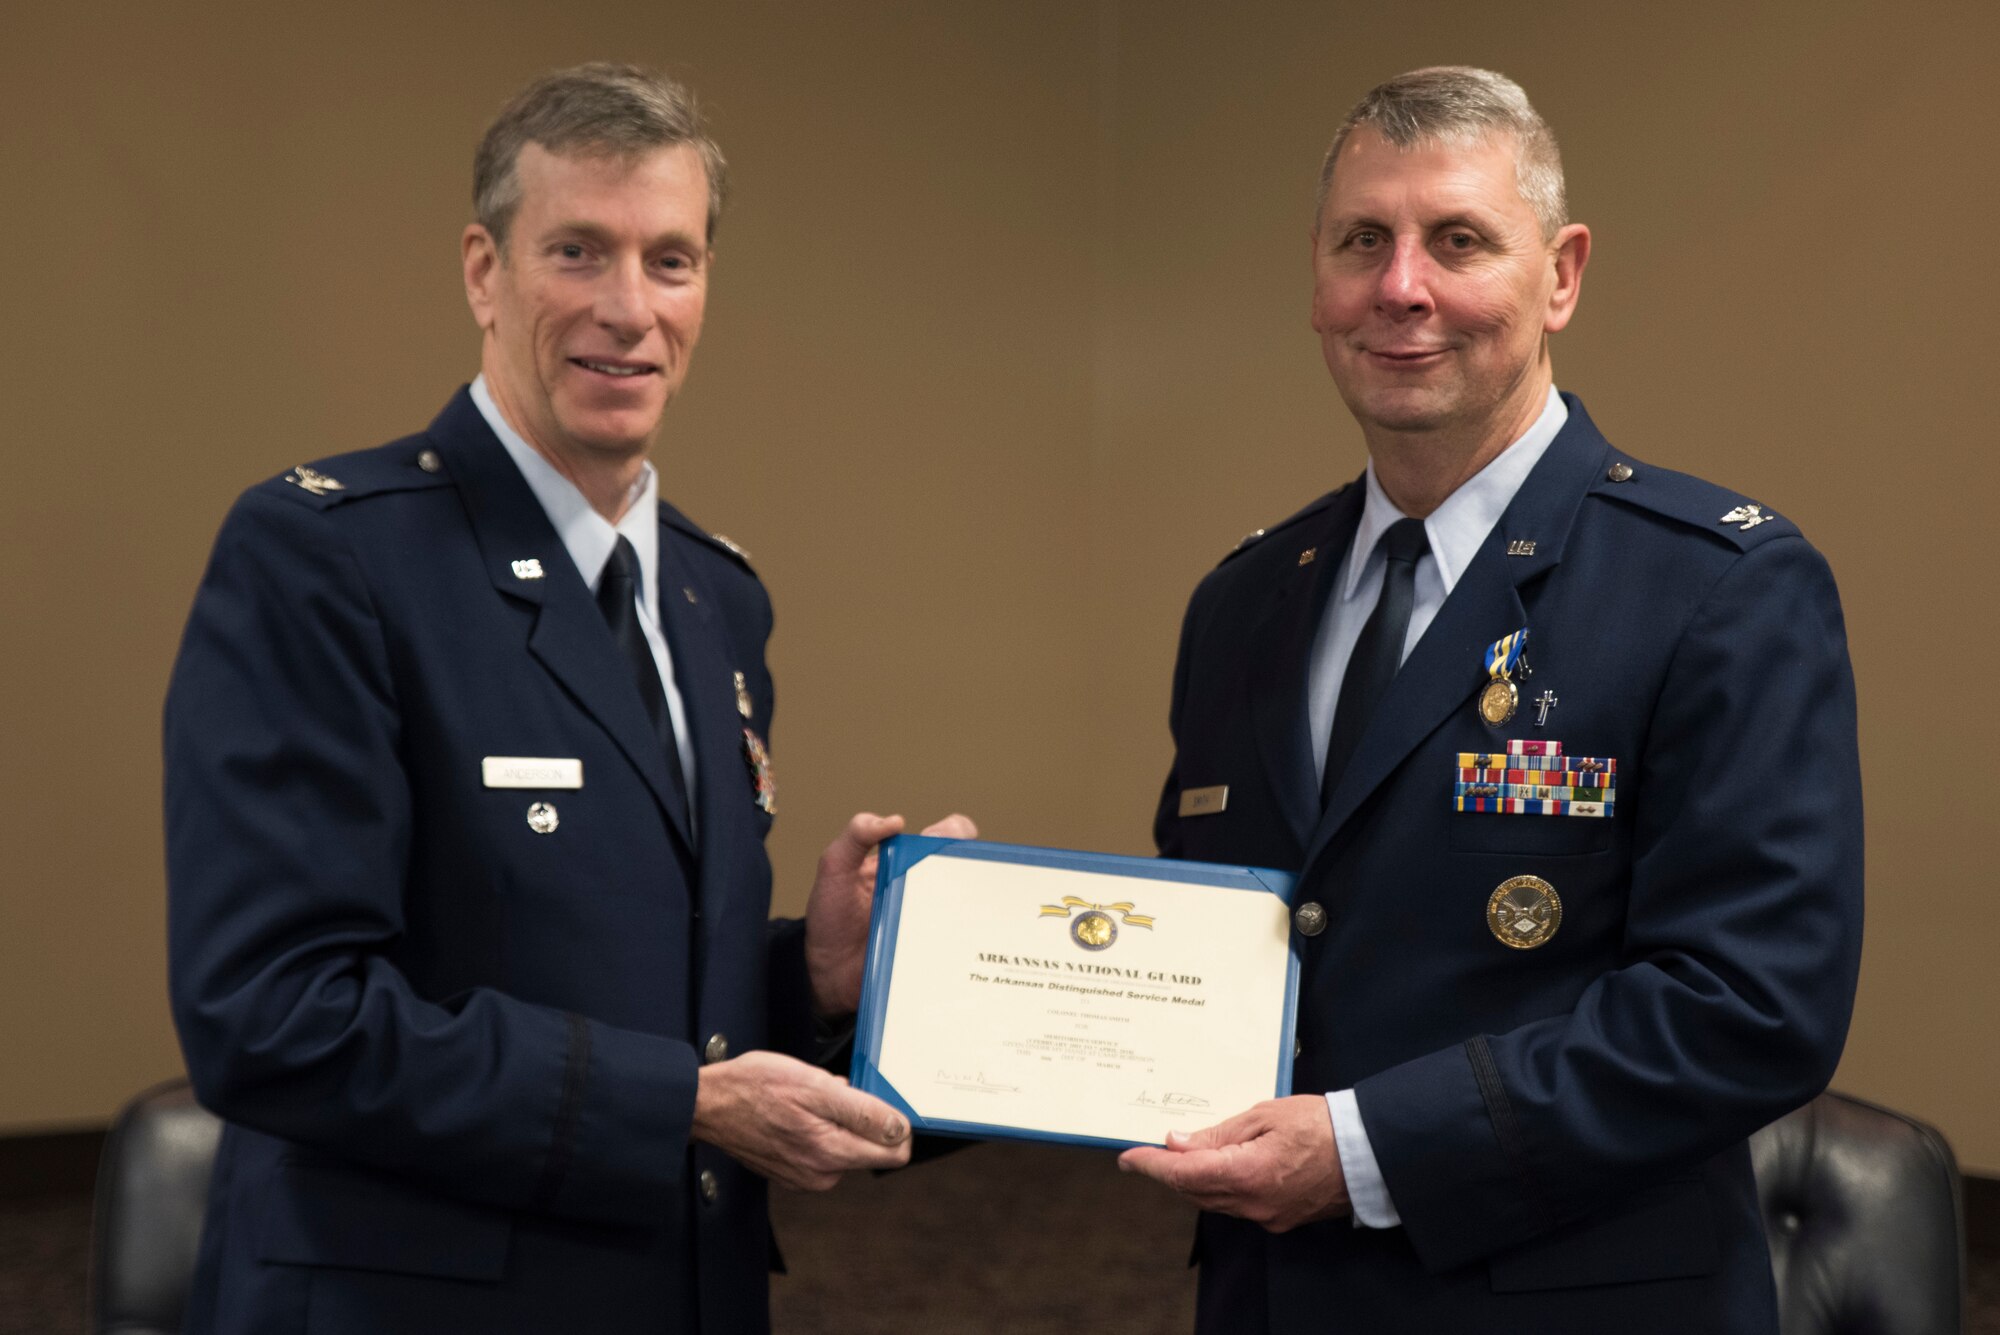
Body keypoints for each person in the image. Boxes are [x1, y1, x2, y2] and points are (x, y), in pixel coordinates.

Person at [164, 63, 968, 1335]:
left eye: (670, 260)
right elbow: (271, 1018)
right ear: (483, 271)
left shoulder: (714, 598)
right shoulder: (326, 558)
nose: (628, 310)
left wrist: (806, 979)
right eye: (577, 252)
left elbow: (627, 990)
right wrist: (680, 1110)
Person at [1120, 66, 1862, 1333]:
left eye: (1456, 240)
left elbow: (1747, 1007)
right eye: (1363, 241)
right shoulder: (1242, 602)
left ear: (1560, 274)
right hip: (1274, 1297)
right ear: (1316, 274)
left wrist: (1361, 1153)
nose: (1400, 288)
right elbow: (1231, 950)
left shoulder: (1715, 586)